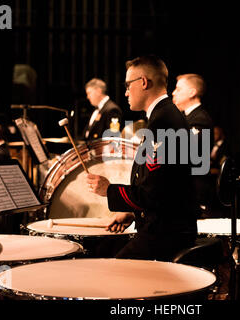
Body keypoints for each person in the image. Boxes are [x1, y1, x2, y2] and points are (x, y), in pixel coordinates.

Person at [86, 55, 197, 261]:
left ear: (143, 82)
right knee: (103, 249)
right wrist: (131, 212)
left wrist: (108, 190)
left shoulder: (163, 124)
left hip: (165, 235)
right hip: (163, 227)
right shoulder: (165, 116)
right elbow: (165, 189)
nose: (126, 92)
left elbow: (154, 195)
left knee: (109, 271)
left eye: (128, 85)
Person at [172, 73, 214, 216]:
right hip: (186, 191)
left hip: (195, 192)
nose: (173, 93)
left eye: (178, 89)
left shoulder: (199, 119)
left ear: (192, 92)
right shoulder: (186, 118)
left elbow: (185, 154)